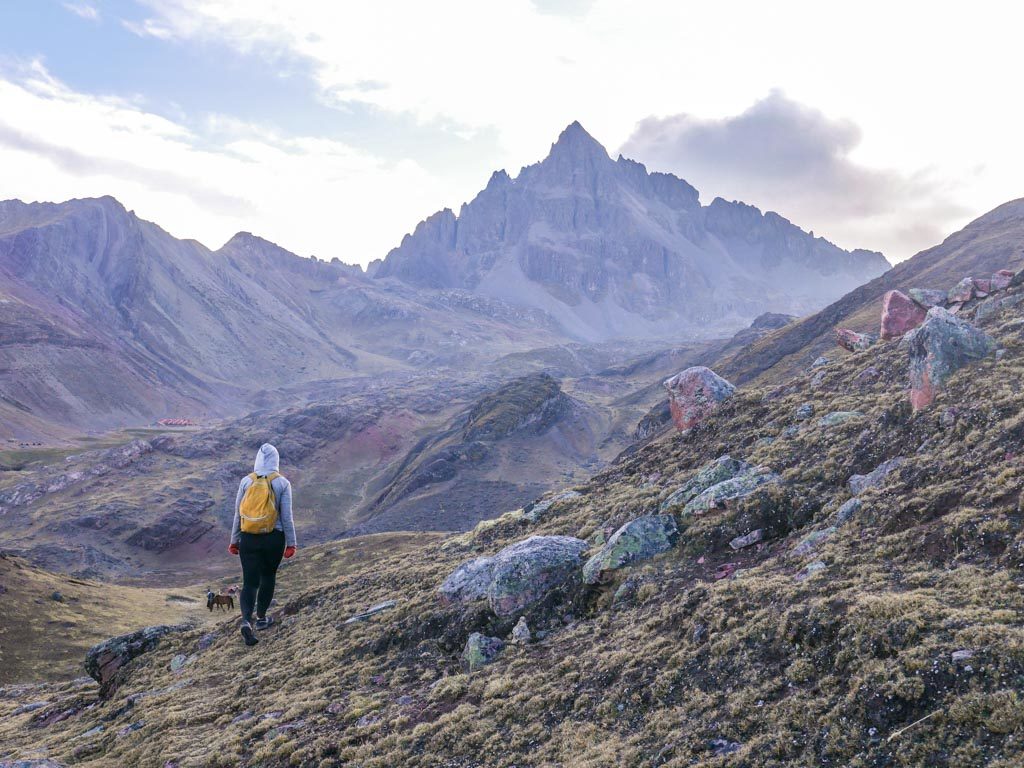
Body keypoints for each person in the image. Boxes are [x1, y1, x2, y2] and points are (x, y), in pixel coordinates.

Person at [228, 443, 297, 646]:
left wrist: (234, 540)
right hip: (273, 538)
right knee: (268, 576)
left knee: (249, 582)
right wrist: (291, 544)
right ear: (276, 460)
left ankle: (246, 621)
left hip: (248, 538)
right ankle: (261, 619)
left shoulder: (246, 481)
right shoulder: (282, 483)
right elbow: (287, 517)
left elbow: (238, 514)